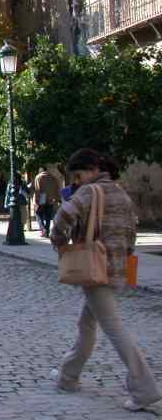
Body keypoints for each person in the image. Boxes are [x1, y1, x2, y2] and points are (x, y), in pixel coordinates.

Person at [49, 148, 161, 412]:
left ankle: (145, 389)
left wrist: (59, 243)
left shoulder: (89, 192)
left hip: (94, 268)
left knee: (113, 327)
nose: (76, 181)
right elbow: (131, 232)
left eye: (78, 175)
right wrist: (123, 258)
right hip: (116, 268)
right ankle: (68, 376)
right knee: (86, 324)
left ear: (92, 169)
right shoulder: (121, 192)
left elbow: (61, 218)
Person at [33, 167, 61, 238]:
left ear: (40, 171)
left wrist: (37, 201)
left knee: (38, 214)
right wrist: (57, 199)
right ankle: (47, 231)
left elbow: (37, 189)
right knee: (48, 217)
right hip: (51, 199)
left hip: (41, 199)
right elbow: (57, 188)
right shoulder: (53, 177)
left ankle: (43, 229)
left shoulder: (38, 177)